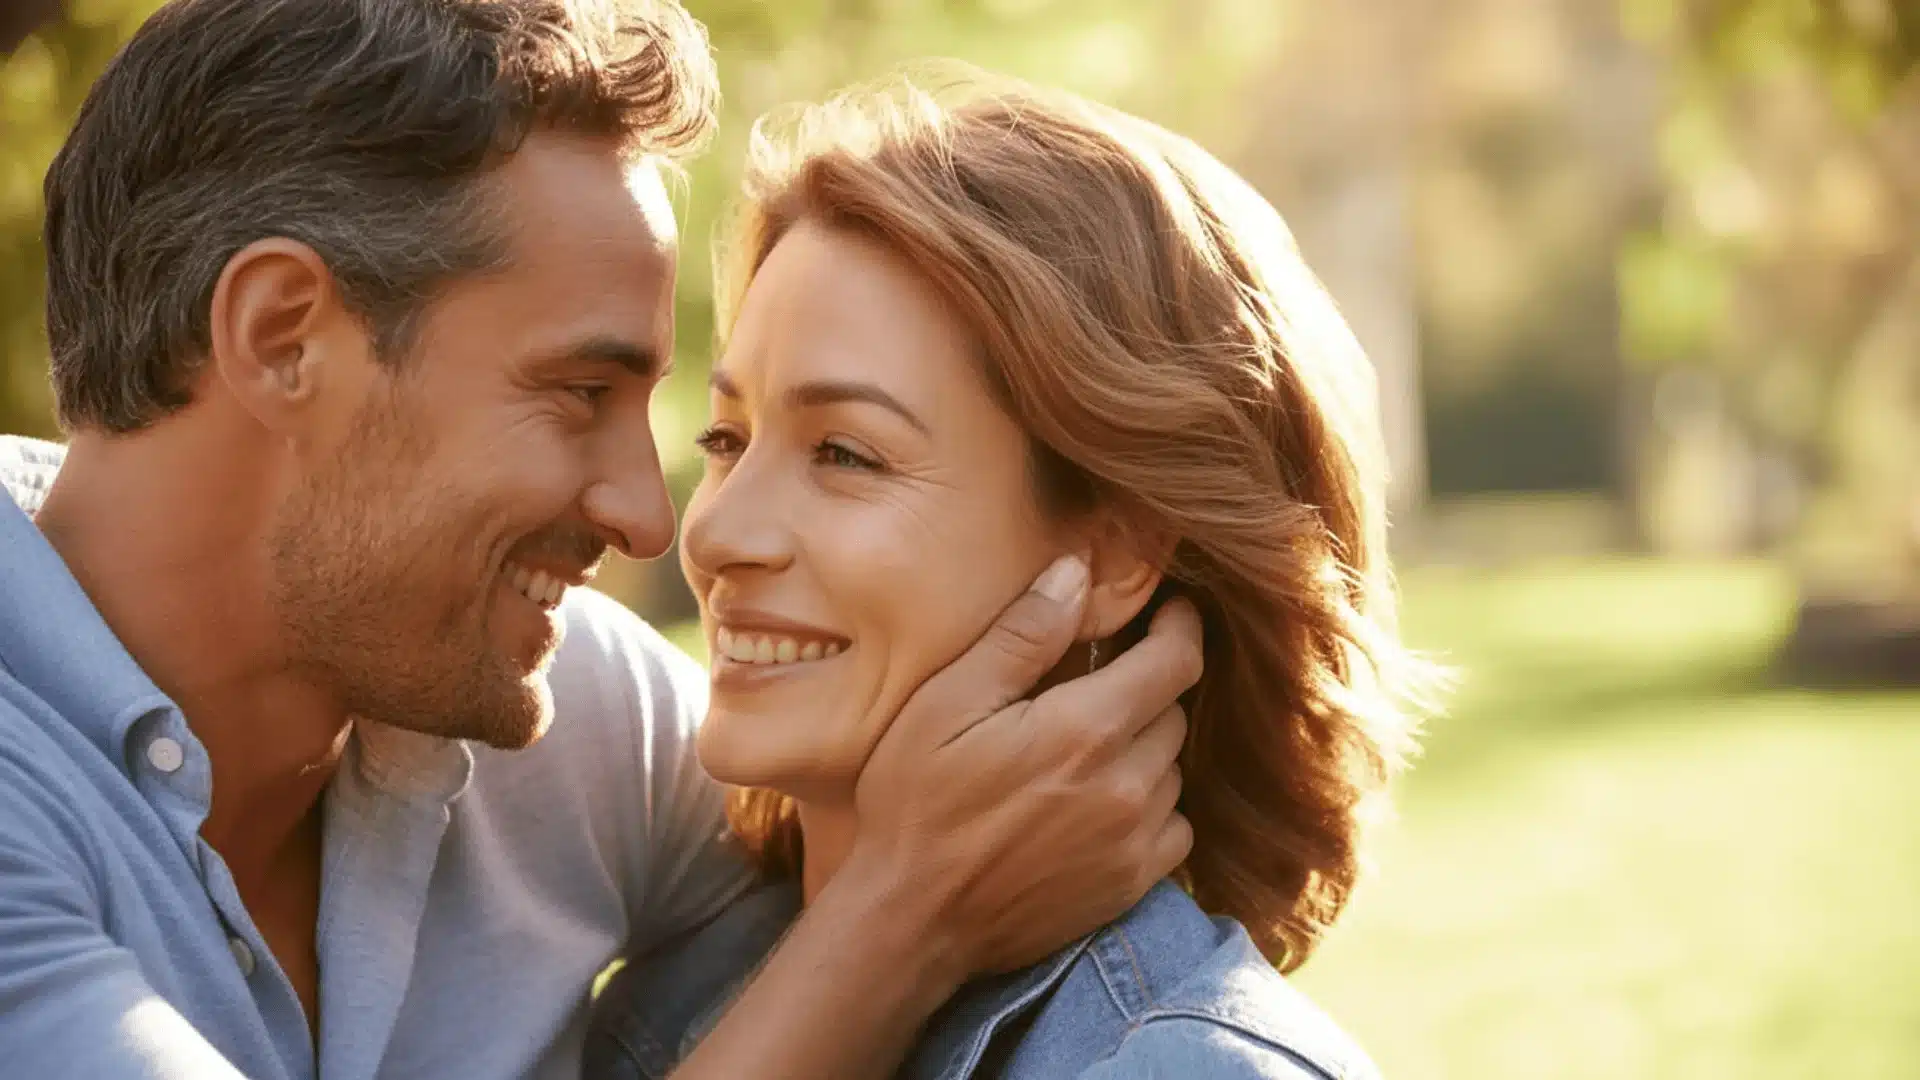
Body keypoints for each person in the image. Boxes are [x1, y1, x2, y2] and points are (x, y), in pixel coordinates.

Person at [0, 3, 1205, 1078]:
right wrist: (900, 925)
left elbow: (970, 812)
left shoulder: (565, 713)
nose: (649, 515)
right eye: (580, 392)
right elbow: (914, 875)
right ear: (281, 339)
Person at [584, 72, 1435, 1079]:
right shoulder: (665, 999)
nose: (717, 529)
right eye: (727, 437)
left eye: (846, 454)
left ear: (1118, 552)